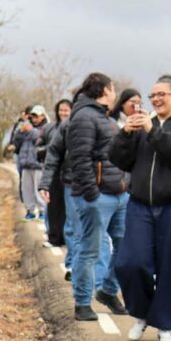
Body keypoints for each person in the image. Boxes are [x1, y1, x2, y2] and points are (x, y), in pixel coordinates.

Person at [111, 74, 171, 341]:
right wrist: (126, 134)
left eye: (162, 94)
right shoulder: (138, 129)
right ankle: (141, 313)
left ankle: (165, 324)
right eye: (153, 96)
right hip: (140, 205)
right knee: (130, 262)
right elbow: (118, 158)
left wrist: (154, 131)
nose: (157, 100)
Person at [63, 73, 130, 321]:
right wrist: (92, 193)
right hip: (97, 196)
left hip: (119, 194)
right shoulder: (83, 117)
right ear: (103, 90)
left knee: (126, 247)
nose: (115, 94)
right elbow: (79, 159)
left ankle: (108, 291)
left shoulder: (101, 116)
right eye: (113, 89)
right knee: (90, 250)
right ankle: (82, 303)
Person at [42, 98, 73, 247]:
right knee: (54, 207)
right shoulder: (49, 128)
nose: (63, 113)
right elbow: (39, 148)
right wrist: (50, 150)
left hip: (69, 174)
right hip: (54, 172)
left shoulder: (75, 127)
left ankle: (67, 239)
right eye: (61, 110)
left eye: (66, 110)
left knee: (69, 209)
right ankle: (54, 238)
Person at [13, 105, 49, 220]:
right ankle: (30, 210)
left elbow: (40, 137)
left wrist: (30, 131)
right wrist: (20, 132)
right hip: (25, 163)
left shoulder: (47, 127)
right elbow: (16, 141)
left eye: (36, 116)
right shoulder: (26, 126)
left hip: (38, 164)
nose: (34, 119)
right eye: (32, 116)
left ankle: (43, 210)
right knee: (27, 189)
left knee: (38, 188)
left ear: (43, 116)